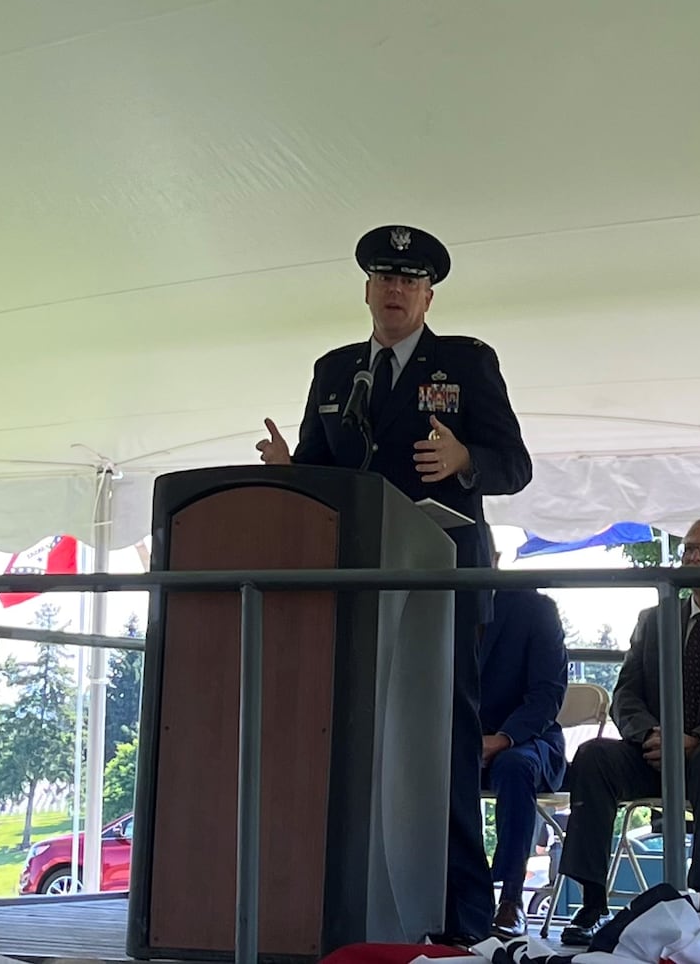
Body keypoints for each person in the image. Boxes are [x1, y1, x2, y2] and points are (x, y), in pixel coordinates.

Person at [256, 224, 532, 944]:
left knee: (440, 746)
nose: (395, 291)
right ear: (367, 290)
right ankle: (350, 905)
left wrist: (467, 458)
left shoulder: (466, 363)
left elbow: (515, 466)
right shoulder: (336, 368)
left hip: (440, 585)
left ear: (429, 293)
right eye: (384, 278)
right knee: (347, 742)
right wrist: (293, 476)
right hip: (356, 587)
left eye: (409, 281)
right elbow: (326, 474)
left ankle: (462, 915)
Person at [555, 518, 700, 946]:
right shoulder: (655, 619)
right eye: (688, 551)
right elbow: (626, 692)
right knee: (594, 756)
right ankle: (591, 902)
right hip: (657, 752)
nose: (694, 558)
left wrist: (696, 738)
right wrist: (652, 734)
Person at [480, 585, 570, 937]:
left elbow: (547, 694)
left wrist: (502, 739)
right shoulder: (437, 604)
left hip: (529, 737)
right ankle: (449, 891)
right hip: (456, 737)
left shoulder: (534, 609)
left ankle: (511, 899)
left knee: (515, 765)